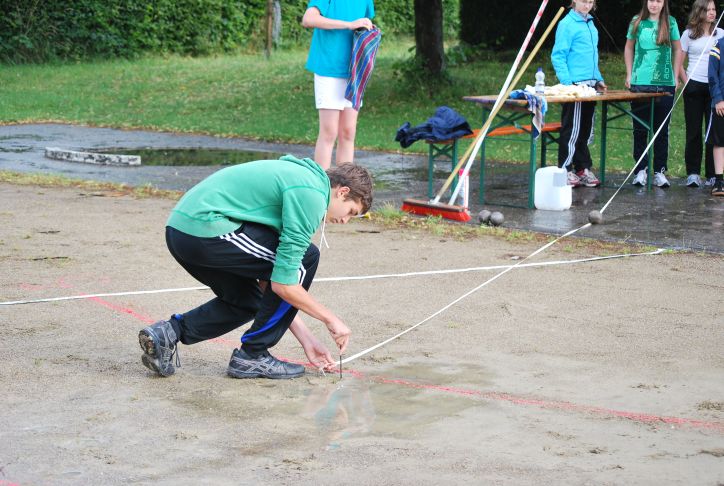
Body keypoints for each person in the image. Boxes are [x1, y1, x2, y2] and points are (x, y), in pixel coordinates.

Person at [138, 156, 374, 379]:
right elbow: (284, 284)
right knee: (306, 259)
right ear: (343, 192)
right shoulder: (312, 195)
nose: (345, 220)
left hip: (181, 232)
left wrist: (308, 340)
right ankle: (253, 355)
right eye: (351, 212)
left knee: (248, 301)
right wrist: (331, 319)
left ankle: (168, 333)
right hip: (205, 228)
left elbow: (270, 282)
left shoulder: (302, 180)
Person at [302, 0, 375, 170]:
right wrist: (348, 25)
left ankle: (345, 184)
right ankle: (322, 184)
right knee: (329, 132)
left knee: (348, 132)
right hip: (328, 67)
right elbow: (308, 19)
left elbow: (365, 21)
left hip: (354, 70)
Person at [624, 0, 681, 188]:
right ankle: (641, 169)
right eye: (651, 0)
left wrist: (675, 76)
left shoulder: (670, 22)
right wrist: (629, 74)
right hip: (640, 83)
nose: (654, 4)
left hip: (664, 84)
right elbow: (629, 47)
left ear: (664, 3)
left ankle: (659, 171)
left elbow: (678, 49)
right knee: (640, 129)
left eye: (658, 1)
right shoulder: (637, 21)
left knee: (661, 131)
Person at [551, 0, 607, 188]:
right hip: (575, 86)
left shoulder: (591, 23)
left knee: (584, 129)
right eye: (584, 1)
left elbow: (592, 56)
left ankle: (582, 168)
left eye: (590, 2)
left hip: (590, 86)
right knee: (572, 129)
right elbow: (558, 55)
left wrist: (598, 78)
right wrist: (568, 84)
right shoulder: (567, 24)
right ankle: (564, 169)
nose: (587, 5)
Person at [676, 0, 723, 188]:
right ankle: (693, 173)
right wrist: (687, 82)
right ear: (699, 11)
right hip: (694, 86)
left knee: (713, 133)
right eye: (708, 10)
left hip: (714, 89)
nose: (712, 13)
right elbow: (679, 62)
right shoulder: (688, 35)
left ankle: (712, 175)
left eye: (714, 10)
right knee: (693, 131)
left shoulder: (720, 34)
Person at [706, 37, 724, 196]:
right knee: (719, 141)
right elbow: (712, 74)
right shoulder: (719, 45)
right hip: (721, 103)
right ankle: (719, 181)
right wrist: (718, 99)